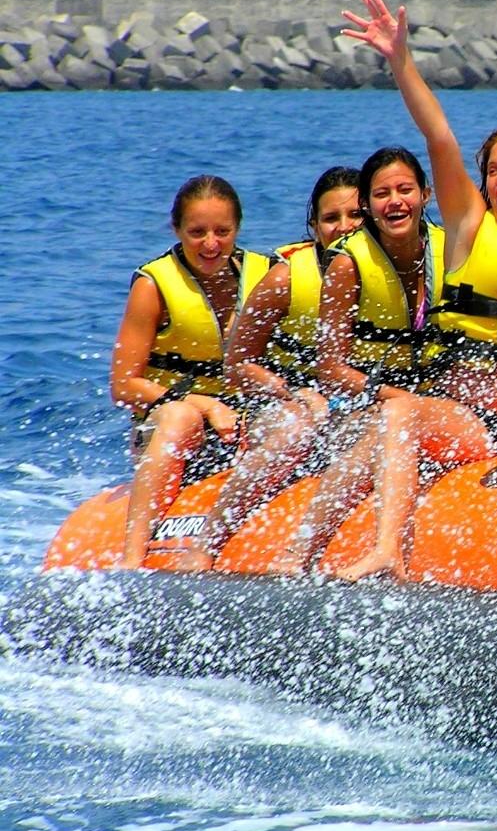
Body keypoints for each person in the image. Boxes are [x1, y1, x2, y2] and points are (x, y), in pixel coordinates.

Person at [299, 0, 497, 581]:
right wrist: (400, 60)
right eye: (493, 171)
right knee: (399, 415)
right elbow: (439, 136)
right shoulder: (469, 227)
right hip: (463, 417)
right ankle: (387, 548)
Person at [279, 145, 448, 574]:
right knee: (389, 424)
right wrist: (394, 398)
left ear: (426, 194)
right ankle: (299, 552)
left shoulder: (452, 250)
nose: (395, 202)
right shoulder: (348, 264)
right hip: (362, 412)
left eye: (405, 189)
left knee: (400, 419)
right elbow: (330, 368)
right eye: (381, 194)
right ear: (369, 206)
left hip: (434, 410)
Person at [195, 166, 365, 562]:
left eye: (355, 215)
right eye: (330, 218)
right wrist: (294, 393)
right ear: (314, 227)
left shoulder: (395, 274)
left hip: (350, 408)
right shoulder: (285, 280)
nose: (344, 227)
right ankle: (206, 545)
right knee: (295, 430)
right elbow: (238, 365)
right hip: (280, 406)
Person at [110, 175, 272, 569]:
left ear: (238, 229)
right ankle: (132, 561)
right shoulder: (153, 285)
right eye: (197, 232)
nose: (211, 244)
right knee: (182, 417)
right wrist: (203, 404)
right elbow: (123, 386)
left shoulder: (266, 275)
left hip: (242, 425)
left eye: (223, 231)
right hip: (170, 426)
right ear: (177, 229)